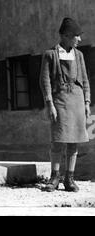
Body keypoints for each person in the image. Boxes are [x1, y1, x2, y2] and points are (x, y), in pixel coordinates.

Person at [39, 17, 91, 192]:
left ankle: (69, 178)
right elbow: (44, 81)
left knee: (74, 141)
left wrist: (86, 101)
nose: (79, 39)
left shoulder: (79, 55)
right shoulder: (50, 55)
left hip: (77, 102)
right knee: (58, 140)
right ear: (67, 36)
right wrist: (49, 104)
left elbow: (84, 80)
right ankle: (54, 178)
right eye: (77, 36)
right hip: (59, 101)